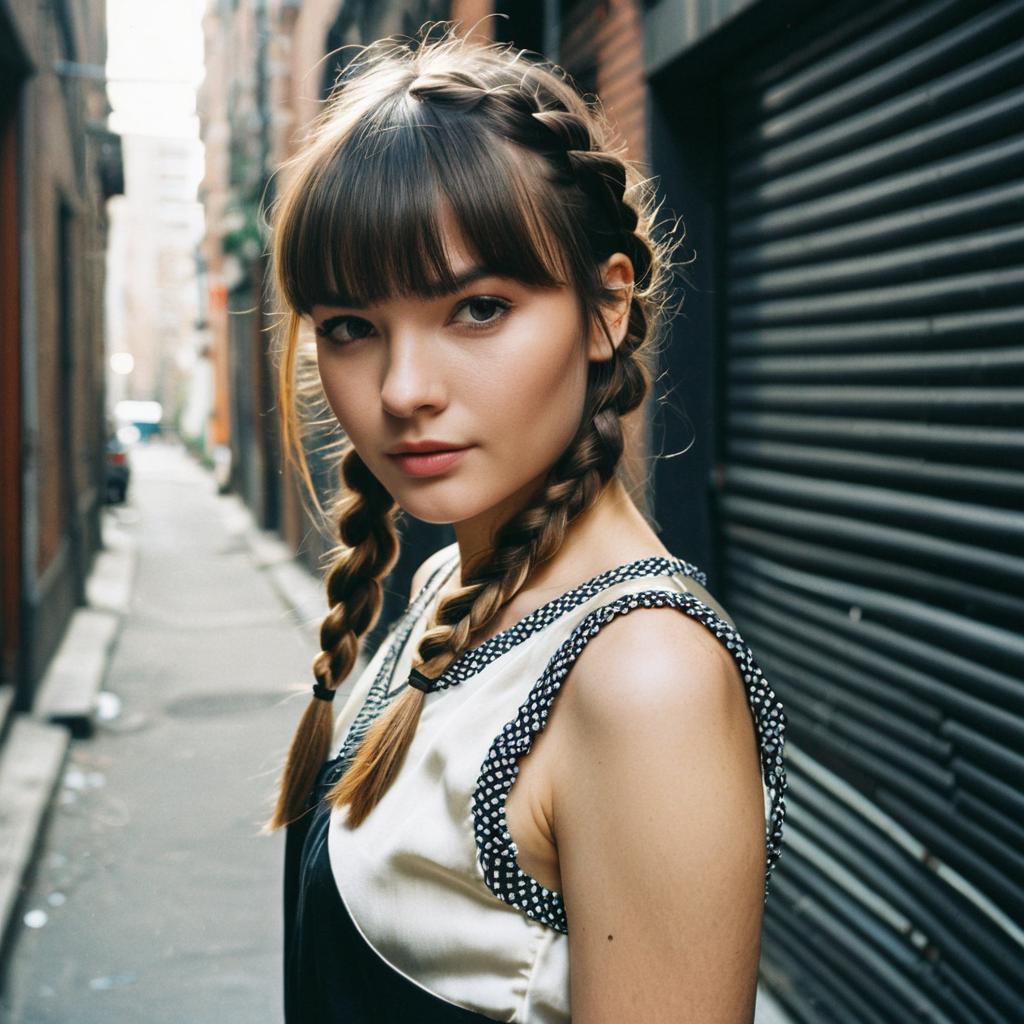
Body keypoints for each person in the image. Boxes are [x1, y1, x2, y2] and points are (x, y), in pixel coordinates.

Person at [264, 26, 787, 1024]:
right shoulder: (446, 590)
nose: (404, 390)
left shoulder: (641, 679)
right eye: (349, 326)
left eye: (477, 308)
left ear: (606, 308)